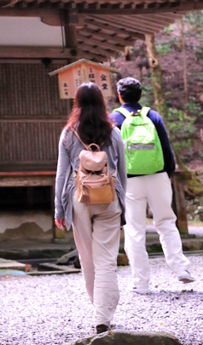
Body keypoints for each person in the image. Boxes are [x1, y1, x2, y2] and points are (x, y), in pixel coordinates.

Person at [55, 83, 128, 335]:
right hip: (109, 198)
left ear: (77, 103)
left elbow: (62, 174)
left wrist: (58, 210)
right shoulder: (113, 131)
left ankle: (99, 311)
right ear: (101, 102)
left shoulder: (68, 133)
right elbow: (123, 171)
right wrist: (123, 202)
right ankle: (102, 316)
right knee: (106, 260)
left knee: (87, 259)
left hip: (78, 198)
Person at [110, 77, 194, 293]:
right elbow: (166, 148)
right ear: (140, 95)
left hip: (130, 180)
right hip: (158, 176)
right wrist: (167, 173)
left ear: (120, 96)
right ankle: (181, 269)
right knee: (166, 222)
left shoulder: (115, 118)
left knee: (134, 230)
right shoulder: (153, 116)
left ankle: (141, 283)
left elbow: (111, 153)